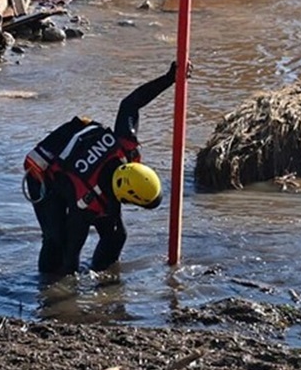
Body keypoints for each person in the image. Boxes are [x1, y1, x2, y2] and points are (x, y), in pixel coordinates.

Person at [23, 61, 188, 276]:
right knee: (57, 241)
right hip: (45, 179)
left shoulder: (125, 148)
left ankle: (106, 277)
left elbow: (131, 104)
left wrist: (170, 78)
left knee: (116, 235)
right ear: (125, 196)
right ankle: (44, 286)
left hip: (83, 174)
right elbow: (72, 253)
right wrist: (66, 296)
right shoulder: (86, 202)